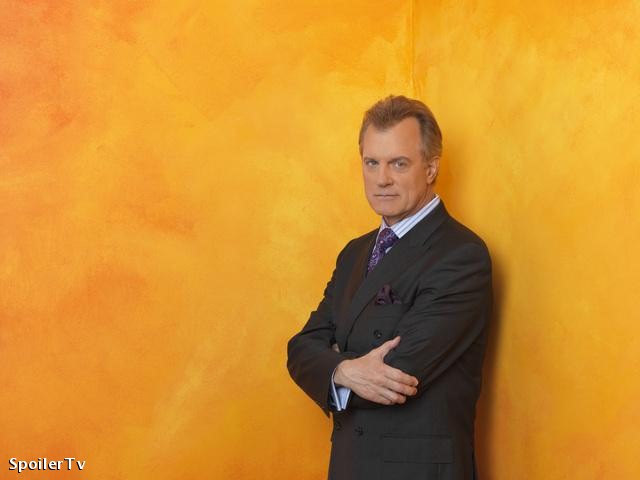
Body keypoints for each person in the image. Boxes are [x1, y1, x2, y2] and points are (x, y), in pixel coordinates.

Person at [287, 95, 492, 480]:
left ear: (431, 168)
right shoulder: (354, 253)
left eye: (399, 163)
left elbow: (399, 375)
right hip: (350, 467)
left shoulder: (461, 255)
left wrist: (331, 364)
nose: (382, 179)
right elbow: (300, 348)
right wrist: (345, 370)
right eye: (372, 163)